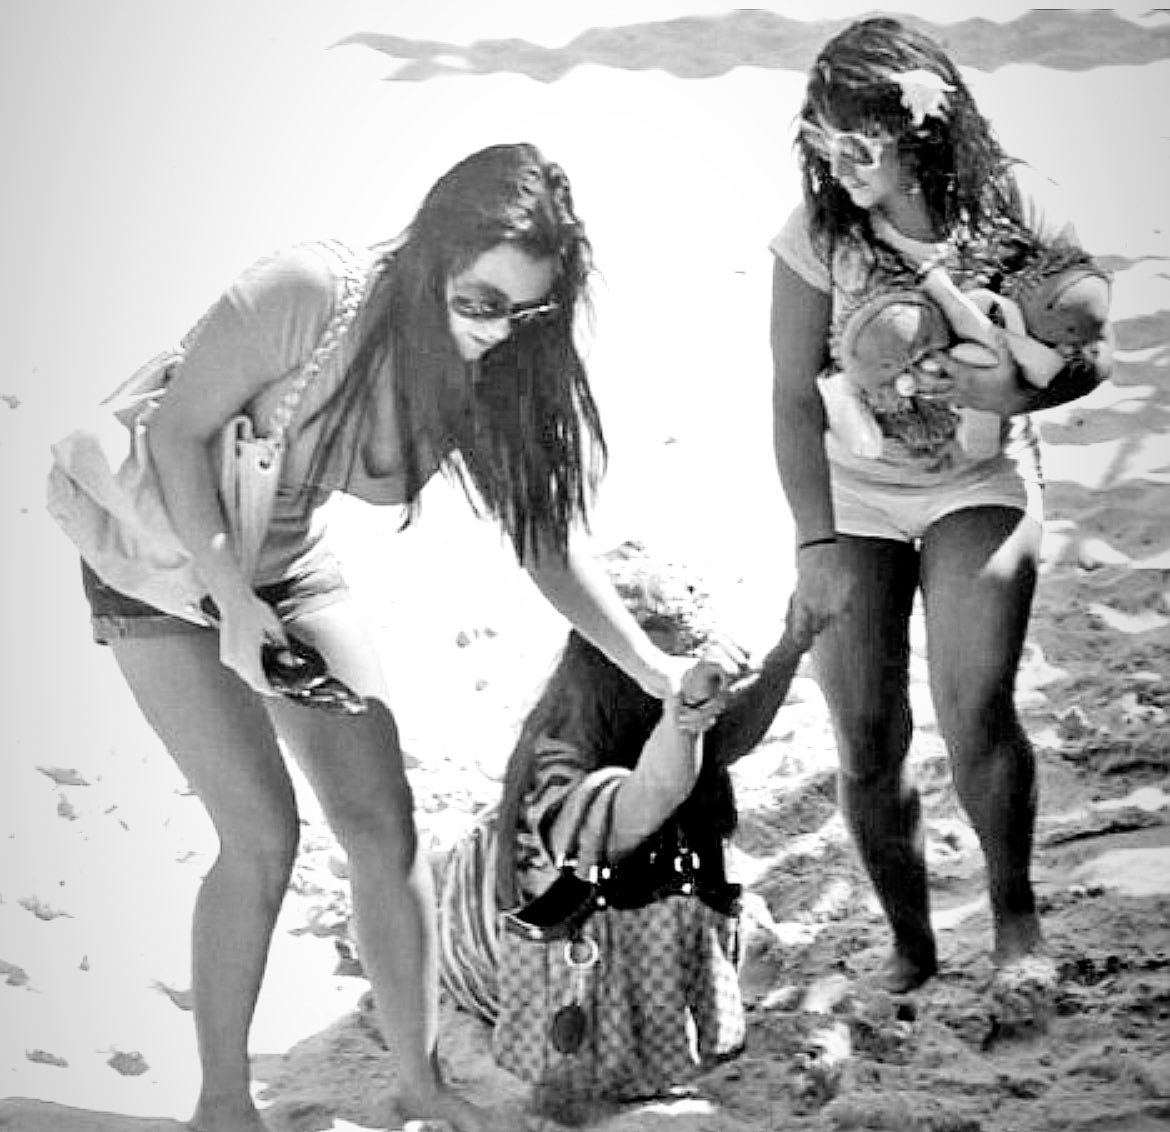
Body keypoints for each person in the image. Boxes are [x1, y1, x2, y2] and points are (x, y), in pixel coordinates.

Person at [79, 144, 723, 1132]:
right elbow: (175, 438)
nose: (498, 331)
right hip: (168, 558)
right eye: (480, 301)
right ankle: (219, 1105)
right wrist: (231, 604)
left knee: (385, 824)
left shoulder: (489, 366)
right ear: (430, 259)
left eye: (526, 311)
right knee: (261, 833)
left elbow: (544, 542)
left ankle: (421, 1084)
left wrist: (651, 665)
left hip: (284, 557)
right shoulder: (305, 294)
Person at [768, 18, 1113, 994]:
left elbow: (1089, 348)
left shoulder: (1016, 204)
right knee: (868, 736)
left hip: (979, 481)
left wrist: (1021, 394)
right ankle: (912, 947)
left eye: (859, 142)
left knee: (973, 706)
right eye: (822, 138)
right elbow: (792, 397)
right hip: (855, 492)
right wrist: (815, 542)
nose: (839, 162)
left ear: (921, 128)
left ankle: (1015, 921)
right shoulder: (817, 231)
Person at [437, 541, 809, 1108]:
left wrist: (790, 646)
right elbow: (652, 793)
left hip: (596, 941)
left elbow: (721, 742)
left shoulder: (627, 726)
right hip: (508, 970)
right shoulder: (558, 760)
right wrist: (682, 715)